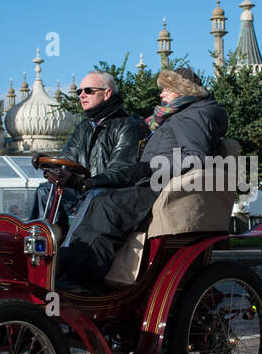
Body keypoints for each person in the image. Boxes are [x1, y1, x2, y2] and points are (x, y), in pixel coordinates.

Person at [56, 65, 226, 293]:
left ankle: (83, 281)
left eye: (166, 88)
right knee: (99, 200)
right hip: (155, 182)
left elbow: (196, 157)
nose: (161, 94)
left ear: (181, 90)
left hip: (160, 186)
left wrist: (148, 167)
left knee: (105, 205)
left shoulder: (190, 116)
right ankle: (70, 269)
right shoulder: (181, 115)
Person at [29, 71, 147, 229]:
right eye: (79, 91)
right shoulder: (84, 127)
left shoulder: (128, 125)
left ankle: (71, 250)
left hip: (112, 193)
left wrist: (84, 183)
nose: (81, 95)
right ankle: (40, 244)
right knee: (45, 190)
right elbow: (68, 160)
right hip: (85, 190)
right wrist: (51, 168)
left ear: (107, 93)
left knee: (94, 197)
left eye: (88, 90)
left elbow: (122, 170)